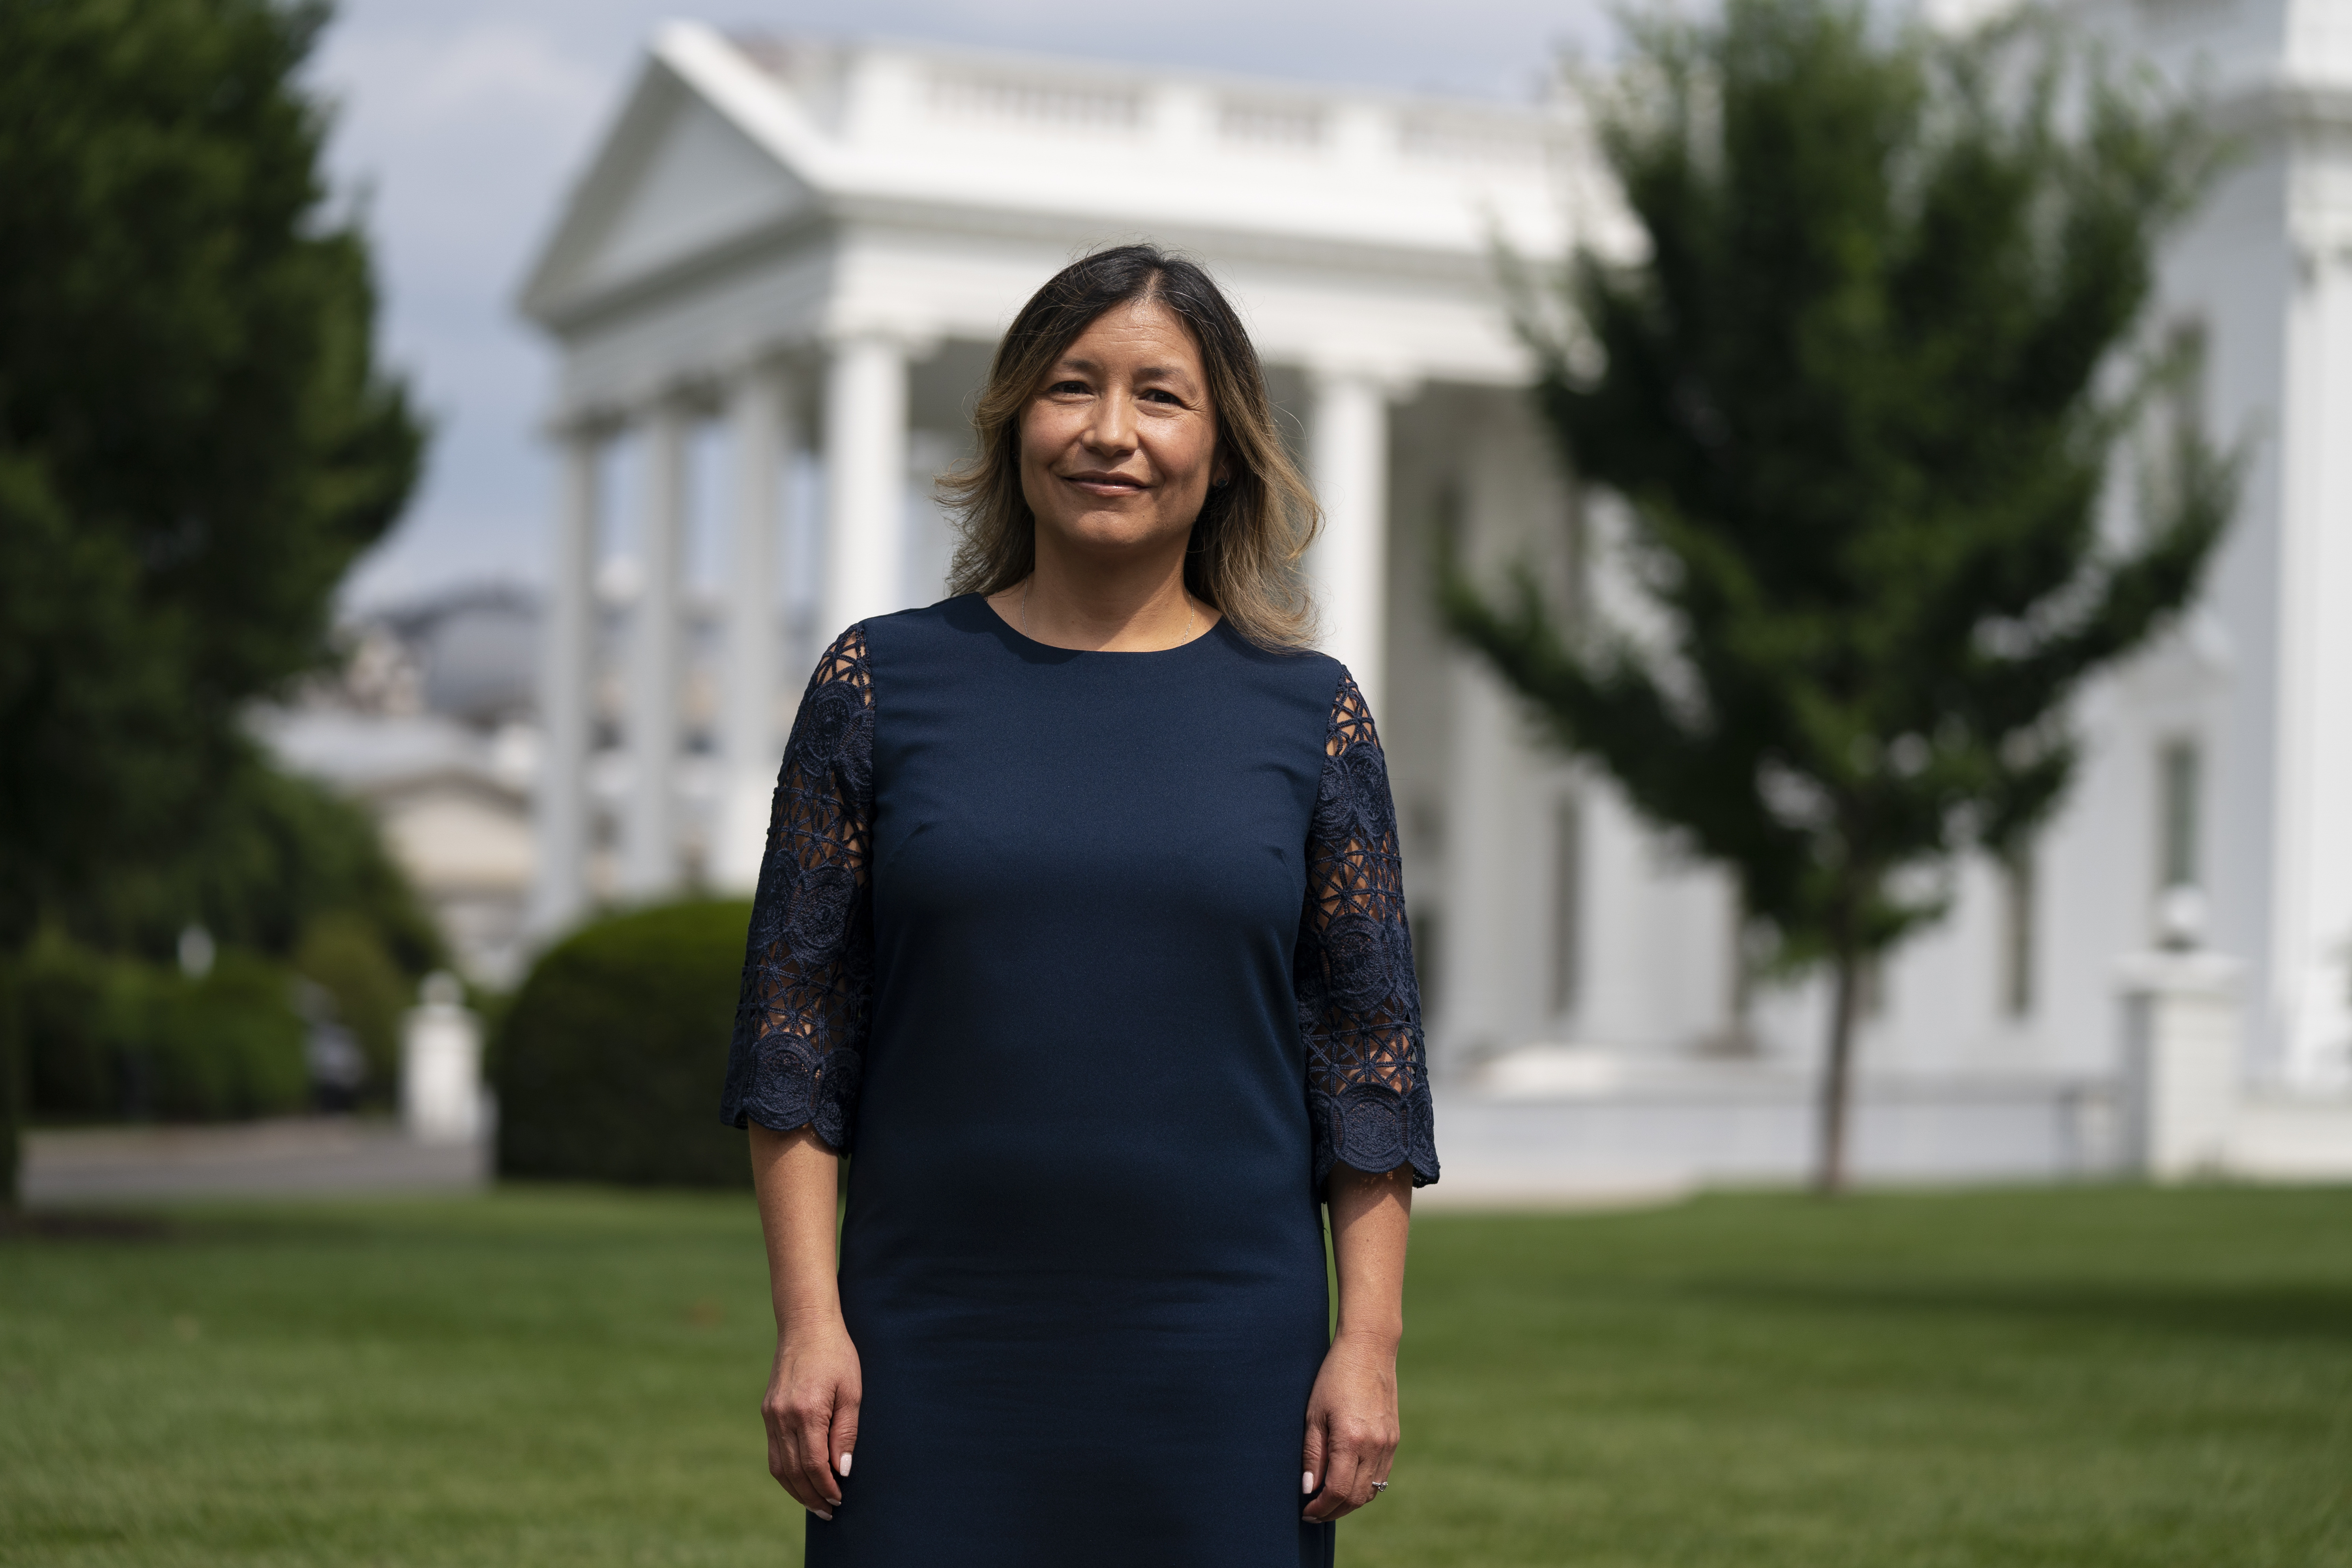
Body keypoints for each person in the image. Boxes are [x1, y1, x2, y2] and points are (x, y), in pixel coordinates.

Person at [722, 242, 1438, 1566]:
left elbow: (1369, 1067)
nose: (1112, 432)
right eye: (1072, 387)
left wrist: (1369, 1345)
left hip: (1228, 1356)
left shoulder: (1313, 716)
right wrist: (809, 1322)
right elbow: (795, 1038)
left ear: (1224, 449)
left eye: (1160, 396)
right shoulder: (877, 687)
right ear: (1013, 426)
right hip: (927, 1346)